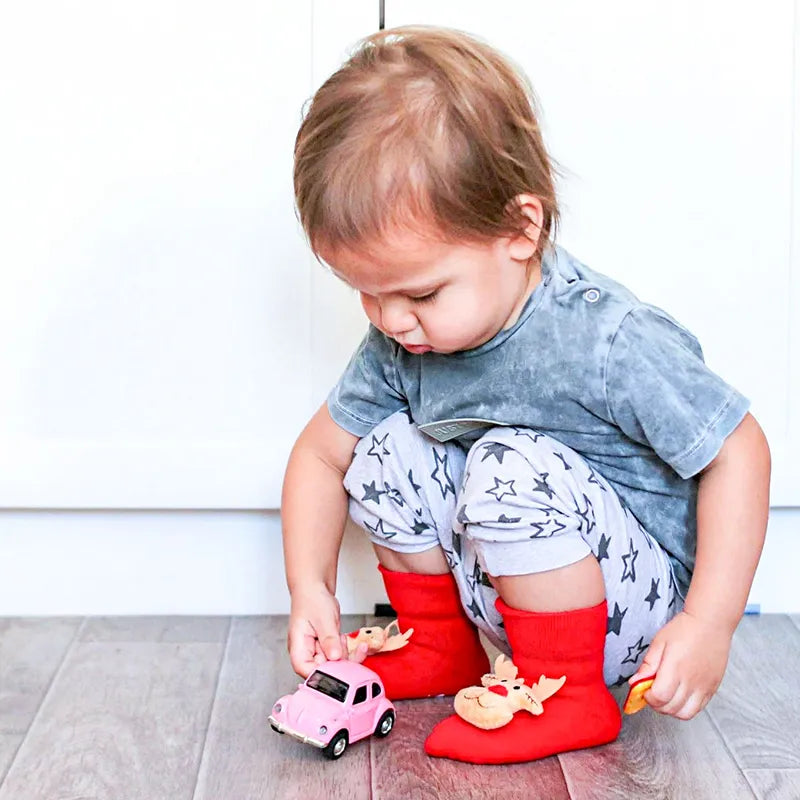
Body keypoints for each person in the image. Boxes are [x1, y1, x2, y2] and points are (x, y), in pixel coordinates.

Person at [281, 25, 771, 765]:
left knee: (507, 460)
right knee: (381, 448)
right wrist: (310, 587)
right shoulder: (403, 340)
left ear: (520, 228)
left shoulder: (603, 339)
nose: (391, 320)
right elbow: (320, 456)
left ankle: (567, 692)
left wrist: (709, 624)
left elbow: (739, 450)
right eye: (367, 293)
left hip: (634, 620)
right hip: (506, 598)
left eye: (420, 293)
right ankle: (444, 647)